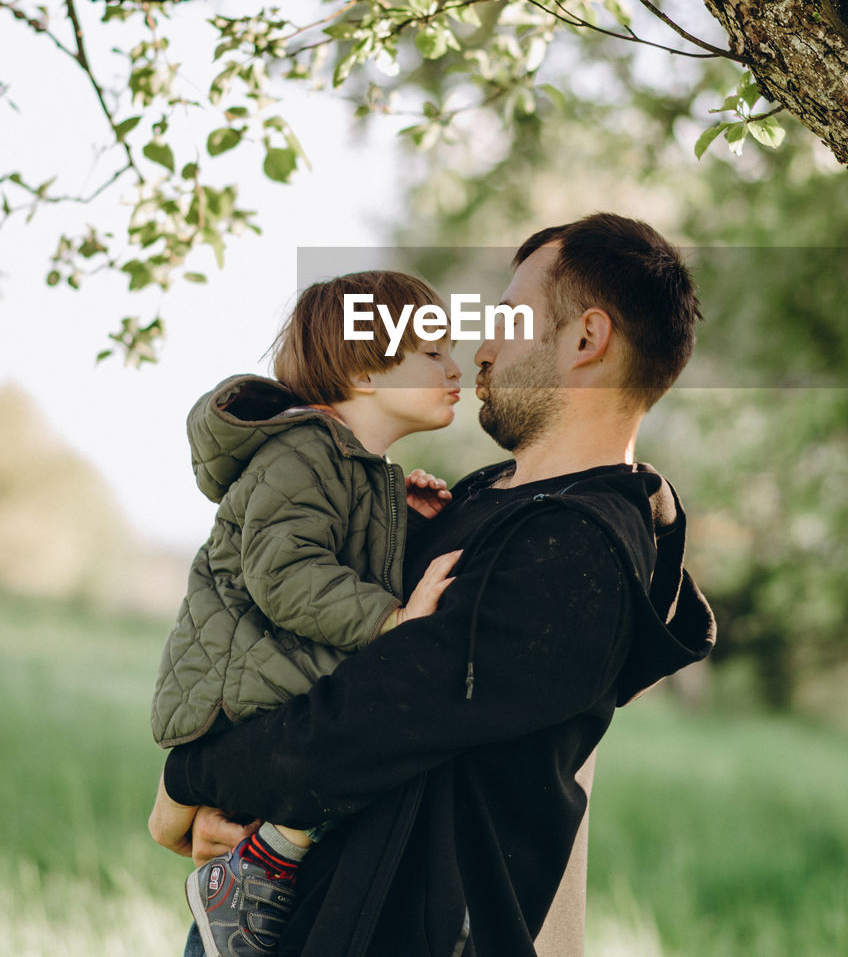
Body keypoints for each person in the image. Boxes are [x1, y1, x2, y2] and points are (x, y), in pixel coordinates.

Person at [150, 212, 717, 957]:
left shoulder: (578, 547)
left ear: (586, 339)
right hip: (290, 919)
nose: (480, 349)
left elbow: (370, 719)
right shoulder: (483, 503)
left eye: (508, 319)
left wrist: (185, 781)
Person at [150, 269, 463, 957]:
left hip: (276, 686)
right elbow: (285, 573)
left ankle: (252, 881)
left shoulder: (354, 469)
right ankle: (246, 884)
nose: (455, 367)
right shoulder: (302, 452)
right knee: (330, 771)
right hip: (246, 694)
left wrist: (398, 523)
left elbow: (327, 551)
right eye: (433, 353)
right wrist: (392, 620)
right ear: (367, 371)